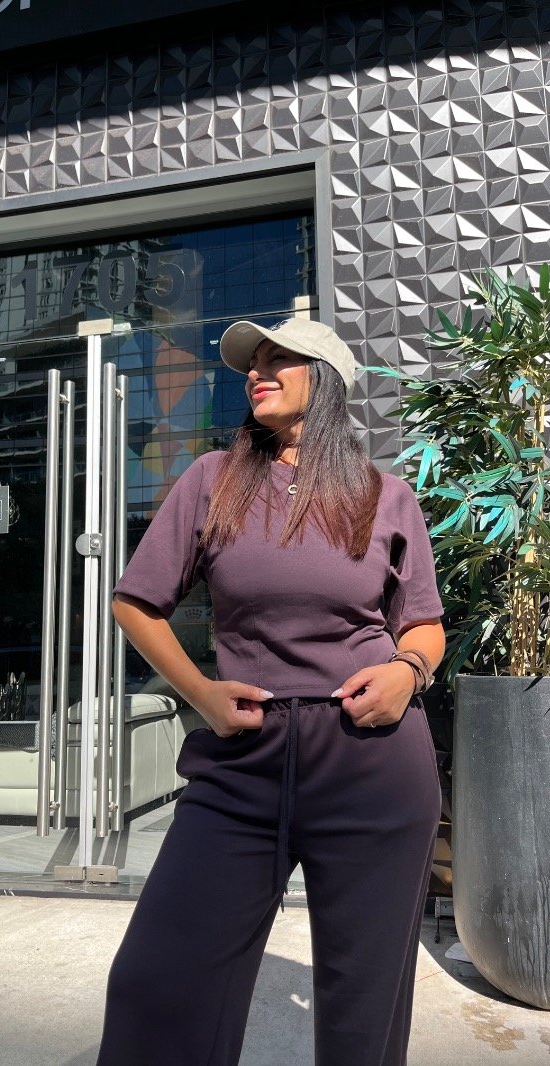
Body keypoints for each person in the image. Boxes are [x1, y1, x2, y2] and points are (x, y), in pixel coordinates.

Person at [96, 316, 445, 1066]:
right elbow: (136, 603)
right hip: (243, 759)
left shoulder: (385, 497)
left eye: (281, 357)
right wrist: (201, 694)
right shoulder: (213, 480)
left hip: (372, 759)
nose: (259, 370)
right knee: (157, 984)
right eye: (254, 361)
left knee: (364, 1010)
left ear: (328, 380)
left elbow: (423, 624)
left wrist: (406, 672)